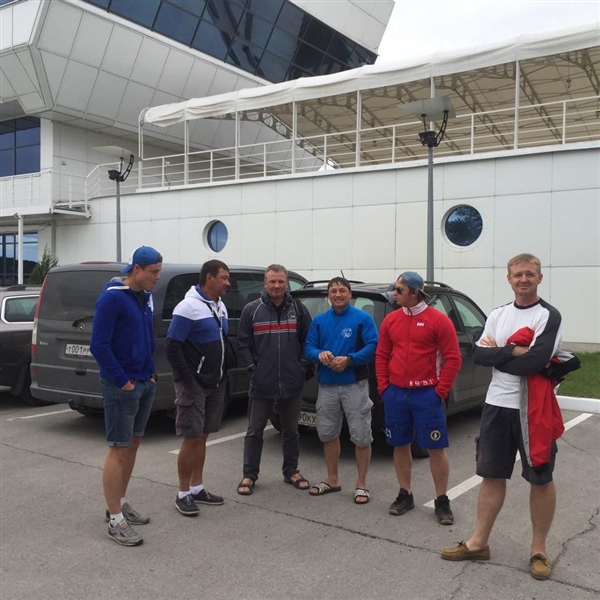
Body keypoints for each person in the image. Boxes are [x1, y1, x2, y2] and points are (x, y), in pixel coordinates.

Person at [441, 253, 565, 580]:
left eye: (530, 274)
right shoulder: (498, 314)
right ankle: (478, 543)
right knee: (491, 475)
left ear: (540, 278)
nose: (523, 279)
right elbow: (479, 355)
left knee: (540, 477)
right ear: (508, 279)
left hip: (533, 409)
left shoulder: (548, 316)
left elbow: (534, 362)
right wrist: (512, 350)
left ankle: (538, 550)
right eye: (518, 274)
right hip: (496, 405)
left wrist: (501, 354)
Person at [375, 271, 462, 524]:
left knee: (435, 448)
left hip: (427, 395)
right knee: (400, 445)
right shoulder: (391, 320)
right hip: (396, 394)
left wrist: (439, 392)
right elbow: (382, 355)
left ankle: (442, 499)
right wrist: (384, 388)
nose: (395, 294)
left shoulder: (439, 320)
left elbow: (453, 359)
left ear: (414, 293)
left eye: (399, 290)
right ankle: (405, 493)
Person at [90, 246, 163, 547]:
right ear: (137, 269)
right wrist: (123, 382)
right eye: (153, 272)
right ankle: (115, 520)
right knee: (118, 449)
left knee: (132, 444)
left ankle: (118, 503)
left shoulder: (144, 297)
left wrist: (151, 373)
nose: (157, 278)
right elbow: (99, 345)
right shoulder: (112, 298)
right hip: (122, 386)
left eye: (159, 272)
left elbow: (146, 339)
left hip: (144, 381)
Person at [236, 264, 312, 495]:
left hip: (291, 382)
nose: (277, 286)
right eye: (272, 281)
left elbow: (308, 341)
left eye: (281, 281)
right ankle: (249, 474)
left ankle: (291, 471)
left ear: (286, 283)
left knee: (291, 431)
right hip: (262, 382)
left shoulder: (298, 309)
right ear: (265, 283)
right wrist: (253, 370)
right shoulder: (251, 310)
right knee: (254, 431)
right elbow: (243, 344)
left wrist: (301, 367)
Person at [165, 260, 231, 517]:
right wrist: (188, 379)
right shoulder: (188, 306)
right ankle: (183, 493)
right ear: (209, 278)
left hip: (215, 381)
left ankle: (197, 487)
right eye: (223, 278)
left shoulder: (220, 305)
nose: (227, 283)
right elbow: (172, 346)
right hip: (193, 384)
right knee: (191, 437)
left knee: (203, 436)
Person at [304, 277, 378, 504]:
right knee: (328, 433)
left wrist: (350, 360)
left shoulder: (362, 319)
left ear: (350, 294)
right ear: (328, 295)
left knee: (361, 436)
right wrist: (319, 355)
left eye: (342, 290)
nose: (338, 294)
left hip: (355, 385)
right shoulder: (319, 320)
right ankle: (332, 479)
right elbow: (308, 347)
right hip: (327, 386)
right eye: (333, 291)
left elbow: (373, 346)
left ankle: (361, 484)